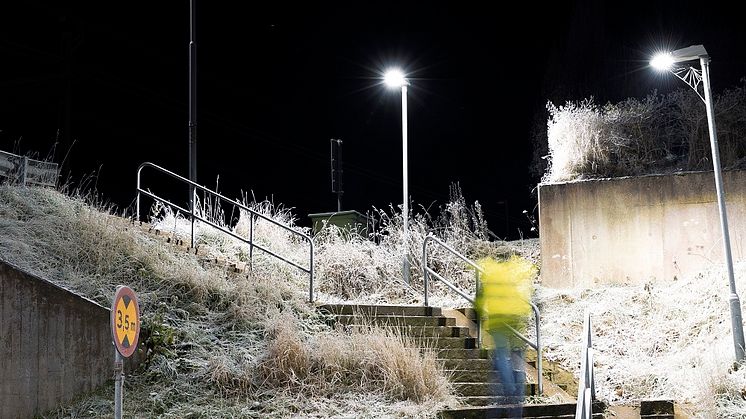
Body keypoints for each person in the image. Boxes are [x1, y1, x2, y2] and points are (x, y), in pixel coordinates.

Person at [474, 256, 535, 418]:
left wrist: (479, 317)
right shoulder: (515, 273)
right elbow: (526, 297)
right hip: (515, 321)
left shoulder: (490, 273)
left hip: (498, 321)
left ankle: (509, 388)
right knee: (517, 357)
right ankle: (517, 399)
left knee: (501, 354)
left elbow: (479, 300)